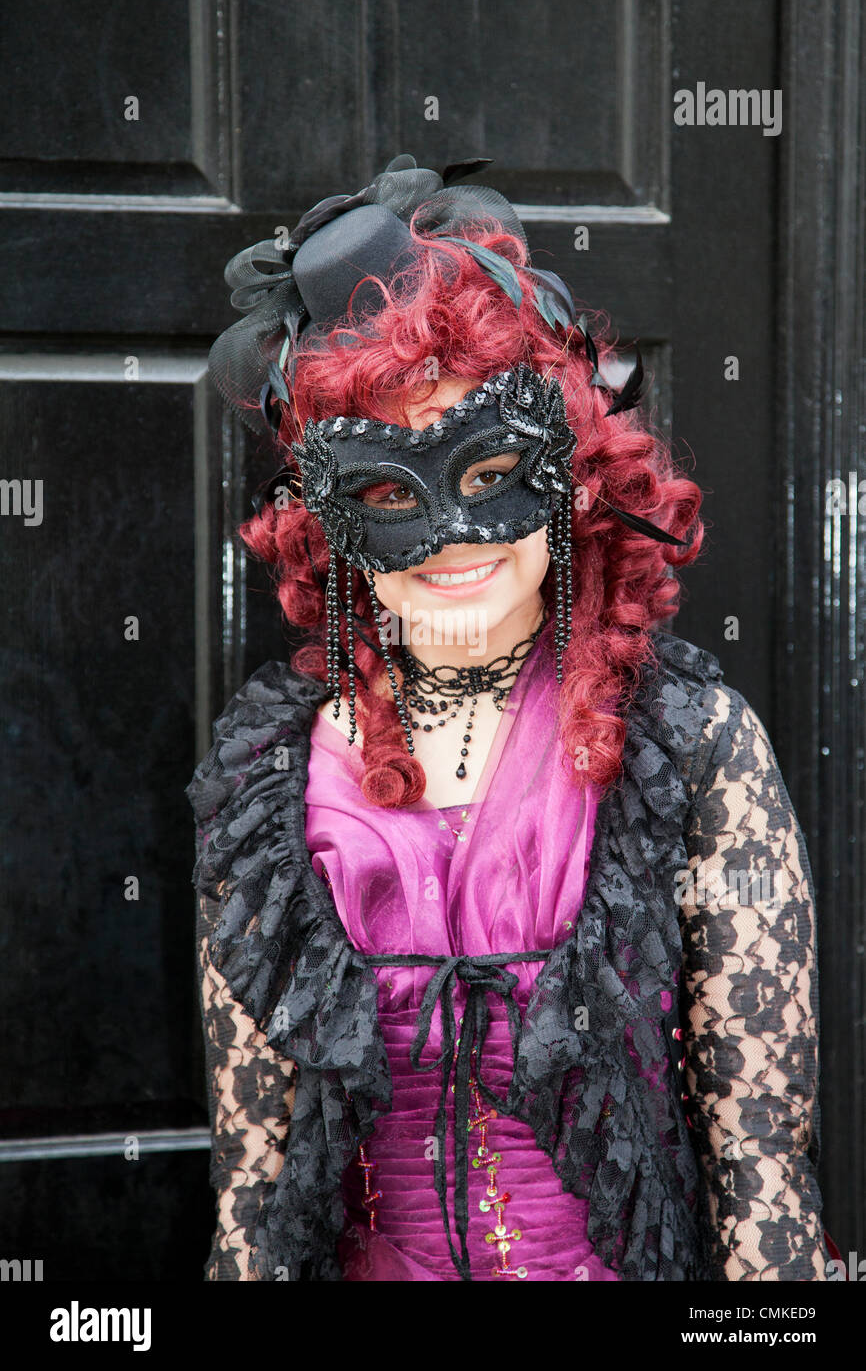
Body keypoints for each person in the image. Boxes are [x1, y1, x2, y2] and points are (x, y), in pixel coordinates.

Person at [185, 154, 830, 1281]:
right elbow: (255, 1200)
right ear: (328, 524)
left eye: (490, 468)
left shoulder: (688, 745)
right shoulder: (267, 781)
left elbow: (762, 1172)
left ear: (574, 474)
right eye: (386, 492)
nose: (449, 539)